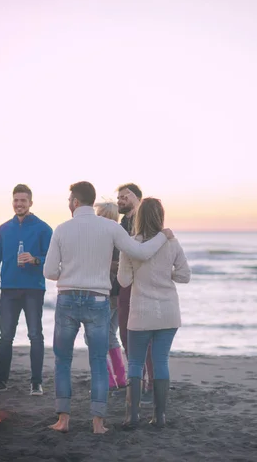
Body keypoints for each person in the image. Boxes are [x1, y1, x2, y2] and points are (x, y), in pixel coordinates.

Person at [44, 181, 174, 434]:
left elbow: (49, 271)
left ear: (74, 202)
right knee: (96, 360)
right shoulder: (111, 228)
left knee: (62, 361)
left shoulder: (61, 229)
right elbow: (140, 252)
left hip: (68, 299)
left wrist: (70, 275)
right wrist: (162, 236)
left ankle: (63, 420)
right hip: (98, 300)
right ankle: (98, 423)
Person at [117, 198, 191, 429]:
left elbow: (123, 280)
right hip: (168, 312)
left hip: (141, 312)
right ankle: (160, 417)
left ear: (139, 218)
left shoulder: (131, 245)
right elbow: (184, 276)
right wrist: (165, 273)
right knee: (161, 360)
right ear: (161, 217)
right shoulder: (172, 244)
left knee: (136, 362)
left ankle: (132, 416)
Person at [0, 184, 53, 396]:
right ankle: (1, 381)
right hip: (9, 290)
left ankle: (36, 382)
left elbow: (55, 260)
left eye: (23, 200)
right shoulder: (3, 229)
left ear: (31, 202)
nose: (19, 204)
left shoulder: (43, 228)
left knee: (35, 335)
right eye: (16, 200)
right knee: (5, 337)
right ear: (13, 202)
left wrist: (36, 259)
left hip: (33, 289)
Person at [116, 183, 154, 406]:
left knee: (145, 337)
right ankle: (136, 381)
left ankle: (149, 382)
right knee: (125, 335)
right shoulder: (121, 224)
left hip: (142, 286)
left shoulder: (147, 223)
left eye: (125, 196)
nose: (120, 200)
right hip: (124, 286)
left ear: (138, 198)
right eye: (118, 197)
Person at [93, 201, 126, 391]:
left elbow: (116, 265)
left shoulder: (108, 238)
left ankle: (109, 379)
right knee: (111, 335)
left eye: (101, 215)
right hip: (117, 294)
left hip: (107, 294)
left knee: (95, 337)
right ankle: (120, 378)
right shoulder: (119, 236)